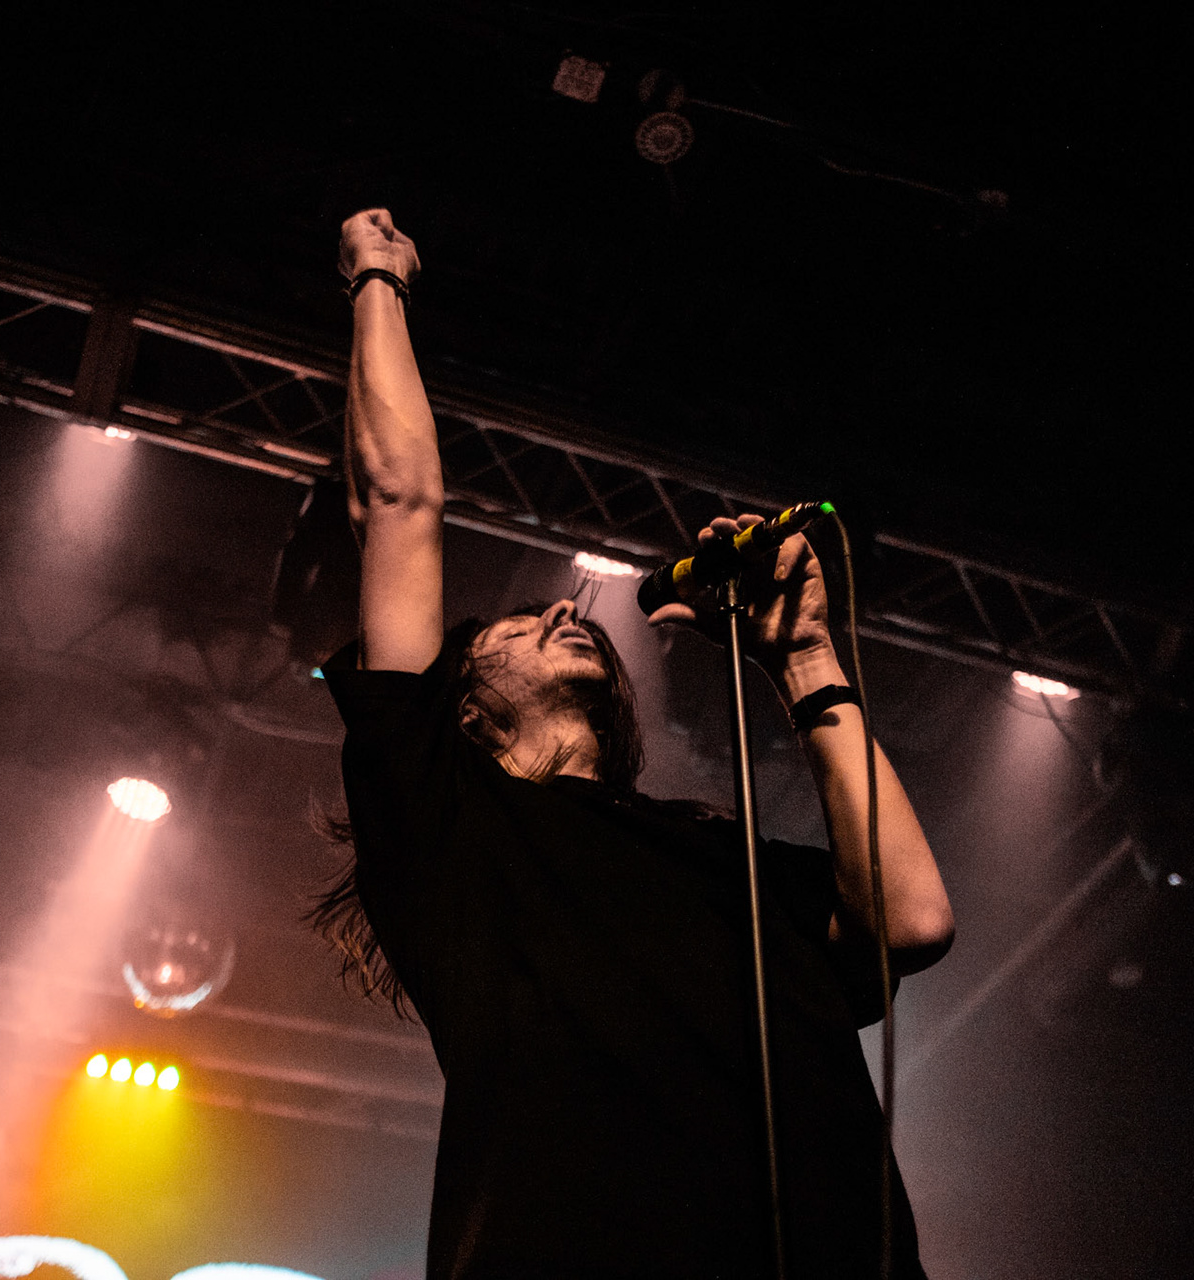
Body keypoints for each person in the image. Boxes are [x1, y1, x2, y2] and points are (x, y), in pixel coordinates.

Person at [313, 208, 955, 1280]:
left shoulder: (713, 853)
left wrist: (805, 658)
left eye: (562, 615)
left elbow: (914, 916)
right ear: (461, 708)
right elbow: (399, 502)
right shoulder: (449, 828)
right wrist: (377, 280)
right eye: (516, 625)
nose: (566, 613)